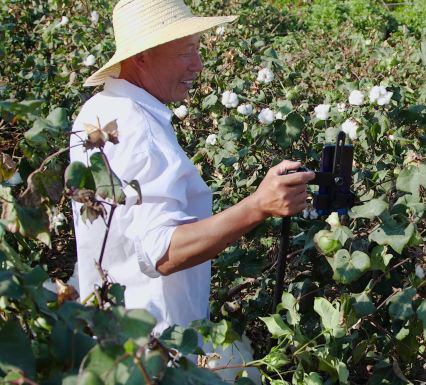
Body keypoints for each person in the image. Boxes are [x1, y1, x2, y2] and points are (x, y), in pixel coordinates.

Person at [69, 0, 313, 381]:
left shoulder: (101, 111)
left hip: (116, 338)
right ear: (144, 57)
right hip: (156, 352)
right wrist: (257, 207)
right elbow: (161, 252)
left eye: (197, 49)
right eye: (187, 52)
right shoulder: (138, 130)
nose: (198, 65)